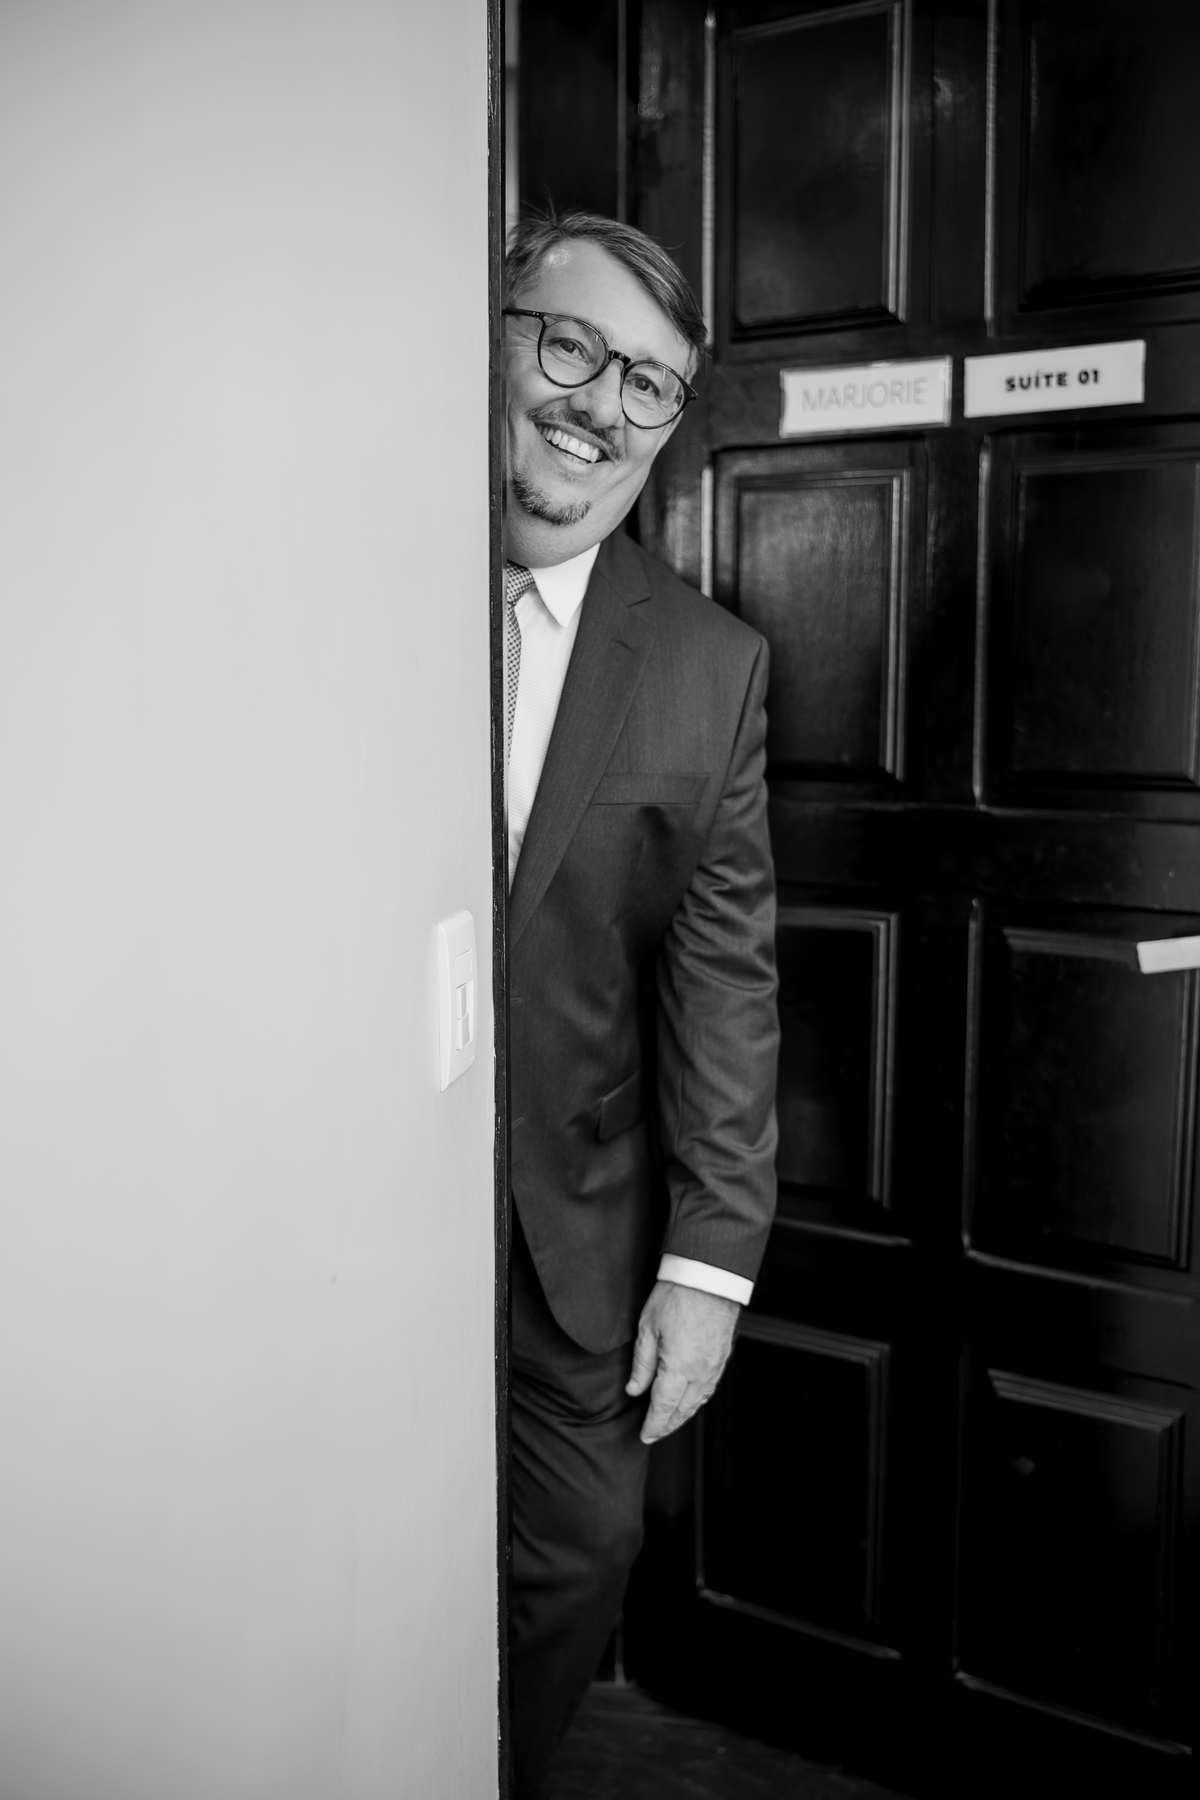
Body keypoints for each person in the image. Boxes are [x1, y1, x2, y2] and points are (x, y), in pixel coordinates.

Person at [502, 210, 779, 1799]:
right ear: (493, 334)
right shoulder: (329, 590)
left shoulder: (708, 668)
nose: (601, 405)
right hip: (324, 1219)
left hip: (570, 1230)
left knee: (579, 1552)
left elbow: (723, 976)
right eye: (569, 344)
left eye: (649, 385)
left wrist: (711, 1264)